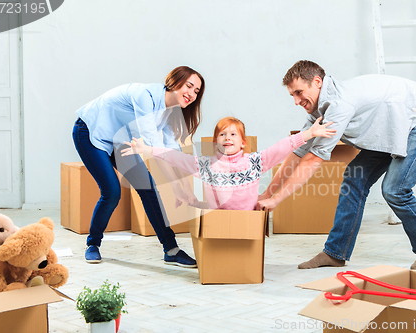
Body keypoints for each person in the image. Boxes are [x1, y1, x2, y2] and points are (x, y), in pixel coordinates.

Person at [257, 60, 416, 271]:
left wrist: (276, 200)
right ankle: (335, 253)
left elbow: (313, 159)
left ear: (317, 82)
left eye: (299, 92)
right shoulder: (318, 110)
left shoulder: (340, 104)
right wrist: (267, 193)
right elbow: (297, 154)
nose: (296, 101)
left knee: (395, 190)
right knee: (354, 177)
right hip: (396, 126)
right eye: (292, 95)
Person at [72, 66, 204, 267]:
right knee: (112, 192)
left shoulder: (171, 112)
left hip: (120, 141)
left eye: (197, 91)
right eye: (189, 86)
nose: (192, 94)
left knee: (148, 189)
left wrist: (186, 188)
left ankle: (171, 250)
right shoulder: (146, 96)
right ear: (174, 82)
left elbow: (173, 153)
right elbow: (157, 153)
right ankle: (93, 244)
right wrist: (177, 189)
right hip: (91, 133)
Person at [121, 116, 336, 210]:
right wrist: (148, 150)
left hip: (246, 220)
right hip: (218, 219)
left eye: (233, 134)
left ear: (243, 143)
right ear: (216, 142)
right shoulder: (206, 165)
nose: (227, 138)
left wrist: (308, 133)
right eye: (222, 135)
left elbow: (282, 147)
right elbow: (176, 158)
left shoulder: (254, 162)